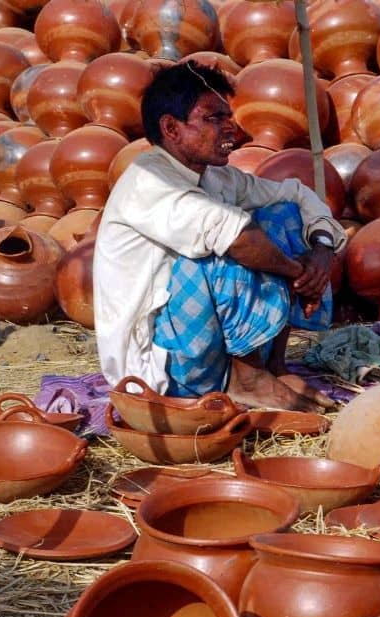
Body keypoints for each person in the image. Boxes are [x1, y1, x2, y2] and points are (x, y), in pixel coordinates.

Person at [94, 61, 344, 411]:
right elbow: (236, 237)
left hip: (208, 349)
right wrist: (298, 273)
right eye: (214, 119)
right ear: (171, 128)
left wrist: (322, 249)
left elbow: (296, 194)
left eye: (228, 116)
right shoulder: (148, 181)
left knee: (281, 216)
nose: (232, 129)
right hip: (162, 363)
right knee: (232, 243)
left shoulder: (214, 177)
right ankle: (249, 379)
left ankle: (272, 367)